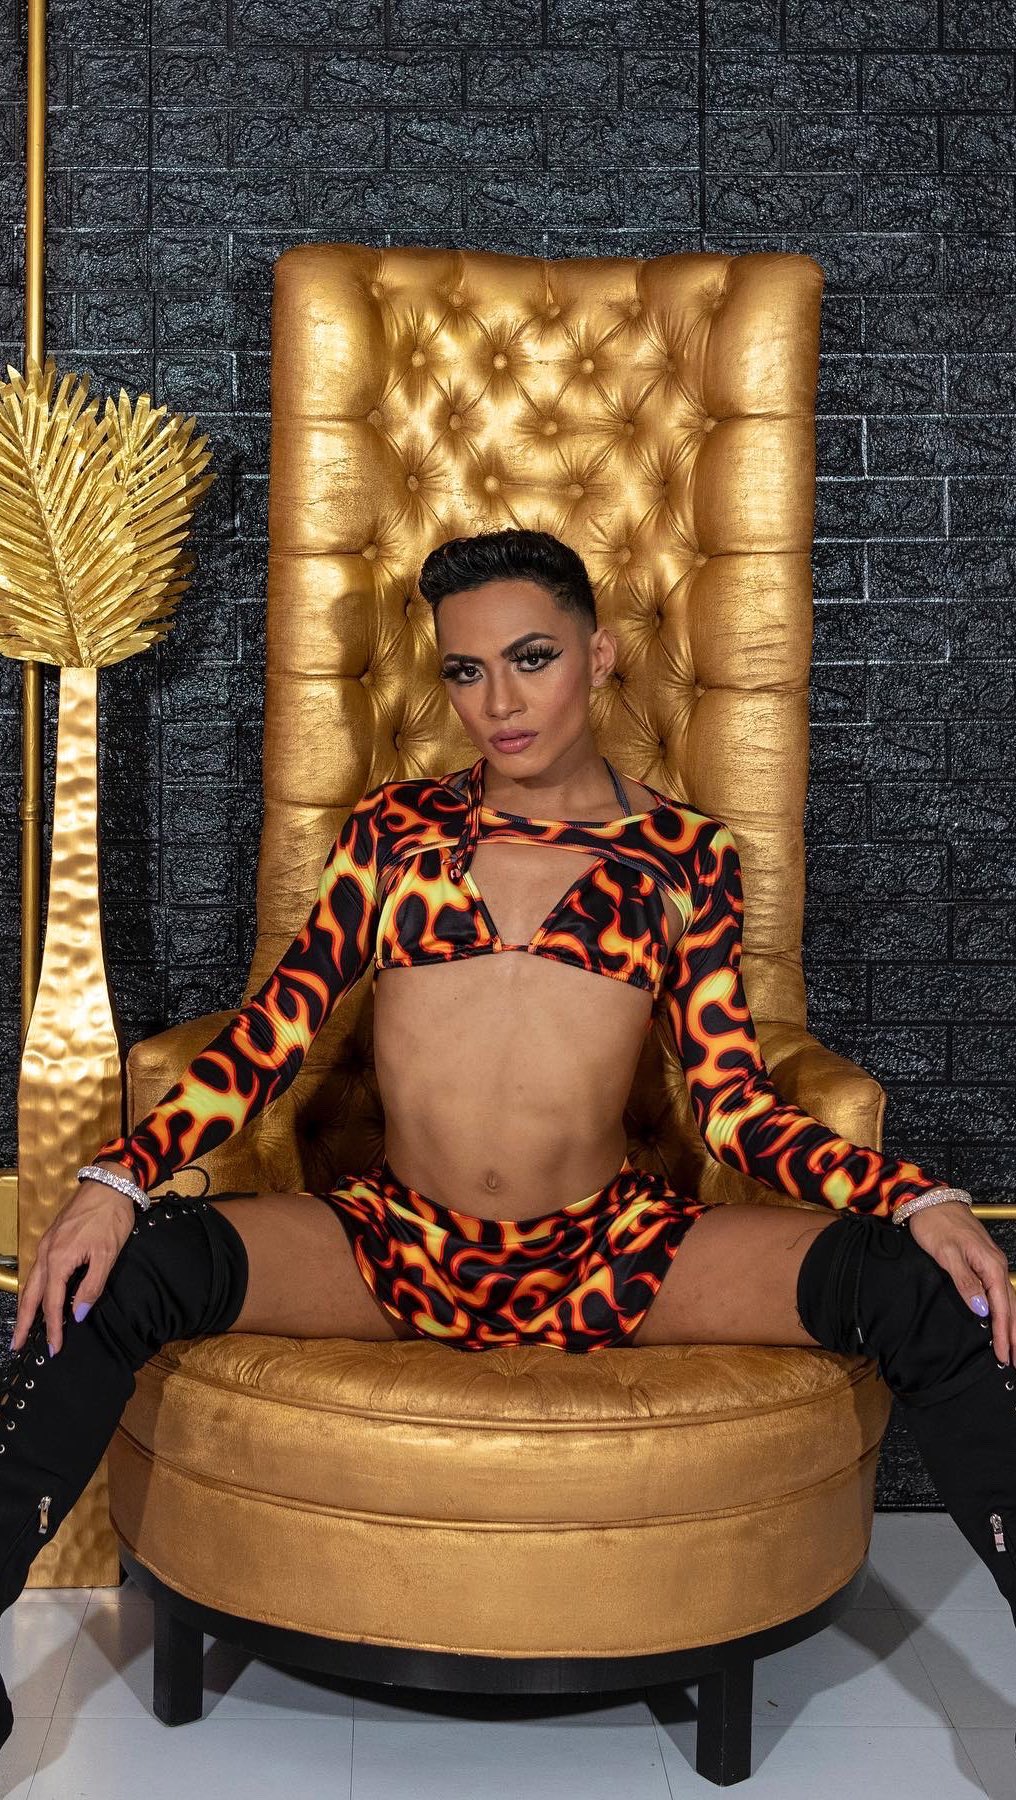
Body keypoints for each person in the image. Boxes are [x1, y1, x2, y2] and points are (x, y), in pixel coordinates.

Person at [2, 527, 1016, 1752]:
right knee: (114, 1272)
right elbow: (273, 1033)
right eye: (465, 671)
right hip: (393, 1245)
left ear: (601, 655)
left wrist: (912, 1196)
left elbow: (732, 1104)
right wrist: (118, 1176)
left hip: (609, 1252)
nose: (498, 701)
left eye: (530, 658)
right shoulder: (392, 833)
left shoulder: (684, 855)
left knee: (924, 1294)